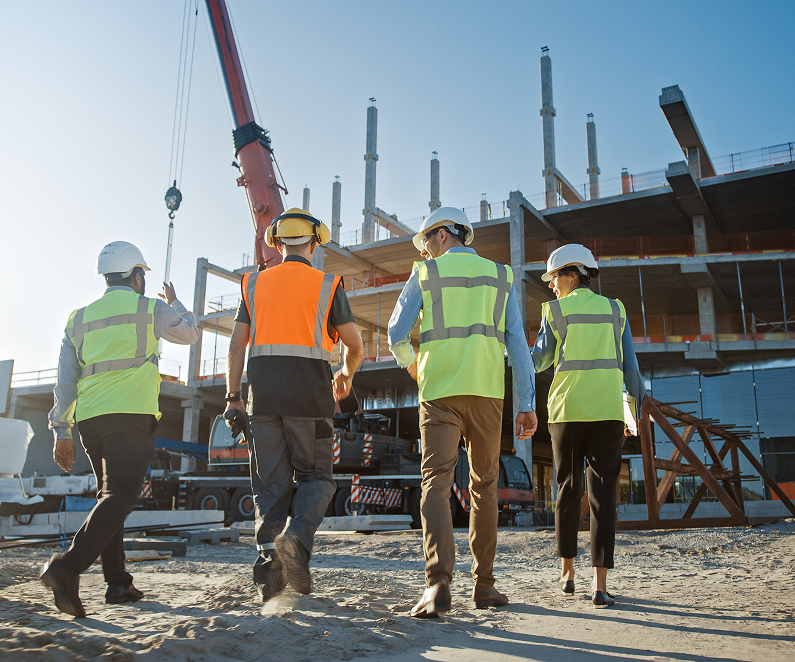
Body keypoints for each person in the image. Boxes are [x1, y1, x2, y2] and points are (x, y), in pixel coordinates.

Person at [388, 206, 538, 618]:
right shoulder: (501, 276)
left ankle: (437, 584)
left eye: (426, 244)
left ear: (440, 235)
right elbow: (518, 346)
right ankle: (484, 586)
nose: (426, 254)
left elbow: (395, 332)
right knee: (484, 487)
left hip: (438, 393)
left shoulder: (426, 275)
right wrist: (526, 404)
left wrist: (413, 364)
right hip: (488, 394)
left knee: (435, 484)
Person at [43, 241, 200, 618]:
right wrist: (176, 303)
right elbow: (191, 334)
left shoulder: (78, 318)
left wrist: (60, 430)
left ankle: (118, 583)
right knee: (122, 496)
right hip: (130, 416)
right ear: (138, 275)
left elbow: (65, 382)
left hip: (90, 421)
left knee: (108, 497)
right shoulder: (150, 308)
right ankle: (67, 567)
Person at [225, 208, 363, 602]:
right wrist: (346, 375)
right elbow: (356, 346)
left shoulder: (252, 284)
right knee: (317, 479)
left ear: (277, 241)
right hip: (311, 401)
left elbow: (237, 345)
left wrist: (234, 397)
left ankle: (270, 584)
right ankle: (297, 540)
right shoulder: (327, 284)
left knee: (271, 488)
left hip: (262, 402)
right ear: (315, 241)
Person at [531, 243, 646, 608]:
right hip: (607, 412)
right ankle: (599, 585)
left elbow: (538, 362)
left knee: (566, 489)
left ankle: (567, 574)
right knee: (603, 497)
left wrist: (512, 342)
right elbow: (632, 370)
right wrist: (633, 413)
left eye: (554, 278)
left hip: (566, 412)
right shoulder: (616, 310)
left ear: (572, 274)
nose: (551, 285)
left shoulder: (554, 311)